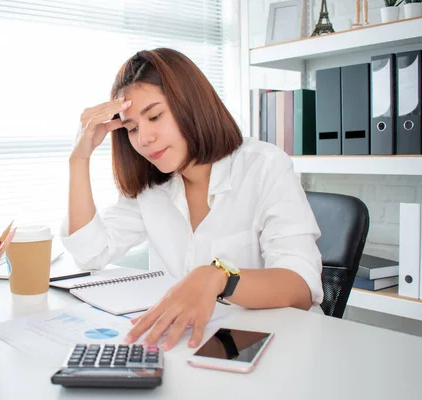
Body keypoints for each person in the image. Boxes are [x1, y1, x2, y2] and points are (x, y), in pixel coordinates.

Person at [61, 48, 323, 351]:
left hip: (271, 346)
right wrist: (79, 158)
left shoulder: (264, 165)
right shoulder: (152, 185)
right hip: (189, 346)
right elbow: (90, 252)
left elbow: (301, 286)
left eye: (155, 116)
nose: (143, 138)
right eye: (132, 128)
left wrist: (218, 278)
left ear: (192, 104)